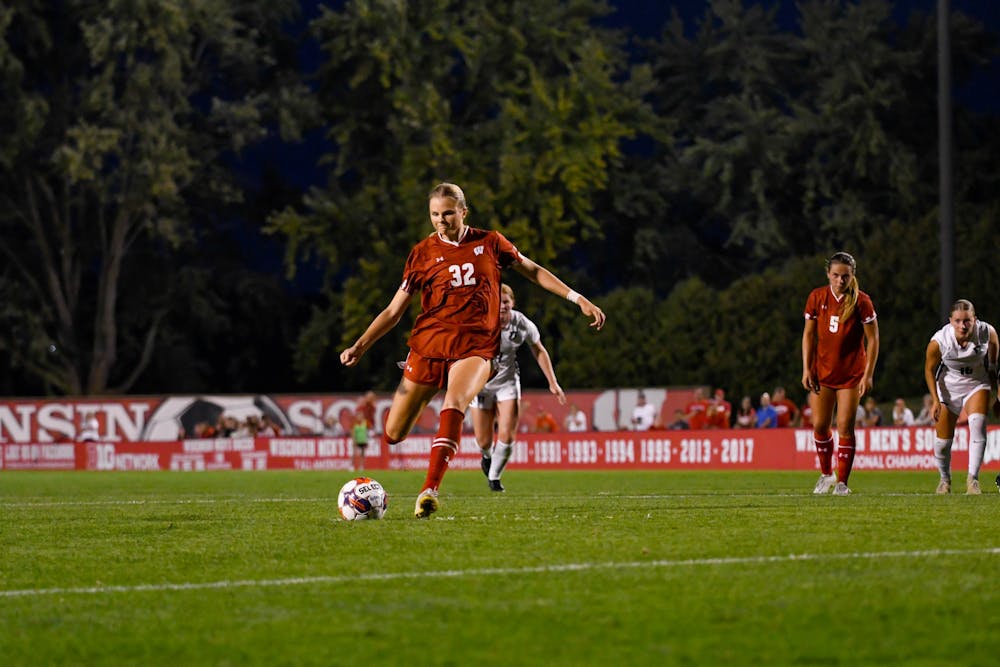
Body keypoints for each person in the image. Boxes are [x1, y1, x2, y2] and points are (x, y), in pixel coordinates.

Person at [339, 182, 605, 519]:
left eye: (448, 213)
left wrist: (577, 298)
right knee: (393, 434)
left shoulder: (490, 242)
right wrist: (360, 345)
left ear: (464, 211)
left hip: (476, 347)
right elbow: (394, 311)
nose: (441, 220)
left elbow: (533, 270)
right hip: (428, 346)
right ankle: (426, 417)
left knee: (455, 403)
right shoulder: (422, 253)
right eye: (435, 214)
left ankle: (429, 491)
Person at [472, 283, 566, 492]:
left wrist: (553, 382)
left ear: (512, 303)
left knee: (507, 434)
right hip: (480, 384)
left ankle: (495, 479)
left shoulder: (521, 323)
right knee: (483, 440)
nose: (503, 306)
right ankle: (487, 457)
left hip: (507, 382)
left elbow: (539, 350)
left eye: (507, 301)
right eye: (499, 302)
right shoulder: (479, 322)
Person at [801, 251, 879, 496]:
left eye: (845, 276)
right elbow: (809, 335)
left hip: (850, 375)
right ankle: (826, 475)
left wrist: (868, 374)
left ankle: (842, 482)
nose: (840, 281)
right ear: (828, 274)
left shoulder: (861, 301)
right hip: (822, 372)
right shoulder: (817, 297)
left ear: (852, 275)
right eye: (835, 275)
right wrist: (806, 368)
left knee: (845, 426)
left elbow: (873, 338)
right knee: (820, 426)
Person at [923, 299, 999, 494]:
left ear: (975, 320)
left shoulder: (984, 331)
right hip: (948, 387)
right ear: (950, 321)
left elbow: (994, 341)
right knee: (943, 443)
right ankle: (944, 479)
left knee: (978, 425)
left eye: (967, 321)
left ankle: (973, 479)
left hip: (976, 383)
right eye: (957, 321)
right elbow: (929, 370)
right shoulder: (939, 341)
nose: (962, 325)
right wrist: (935, 400)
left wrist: (992, 372)